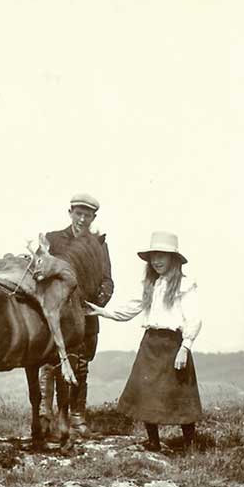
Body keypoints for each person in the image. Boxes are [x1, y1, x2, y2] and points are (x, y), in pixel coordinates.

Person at [85, 231, 202, 452]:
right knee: (145, 392)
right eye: (153, 256)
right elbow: (130, 309)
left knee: (180, 395)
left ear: (173, 258)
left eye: (162, 256)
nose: (157, 261)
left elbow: (194, 318)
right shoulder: (151, 285)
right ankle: (154, 441)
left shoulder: (184, 285)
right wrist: (101, 311)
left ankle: (190, 445)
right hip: (150, 343)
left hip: (173, 343)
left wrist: (185, 348)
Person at [41, 193, 114, 436]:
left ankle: (77, 416)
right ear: (70, 212)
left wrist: (96, 303)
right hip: (57, 315)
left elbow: (107, 280)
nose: (82, 219)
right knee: (50, 363)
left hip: (85, 315)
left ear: (94, 217)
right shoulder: (53, 240)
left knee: (81, 366)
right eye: (78, 213)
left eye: (88, 215)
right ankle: (45, 416)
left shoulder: (99, 244)